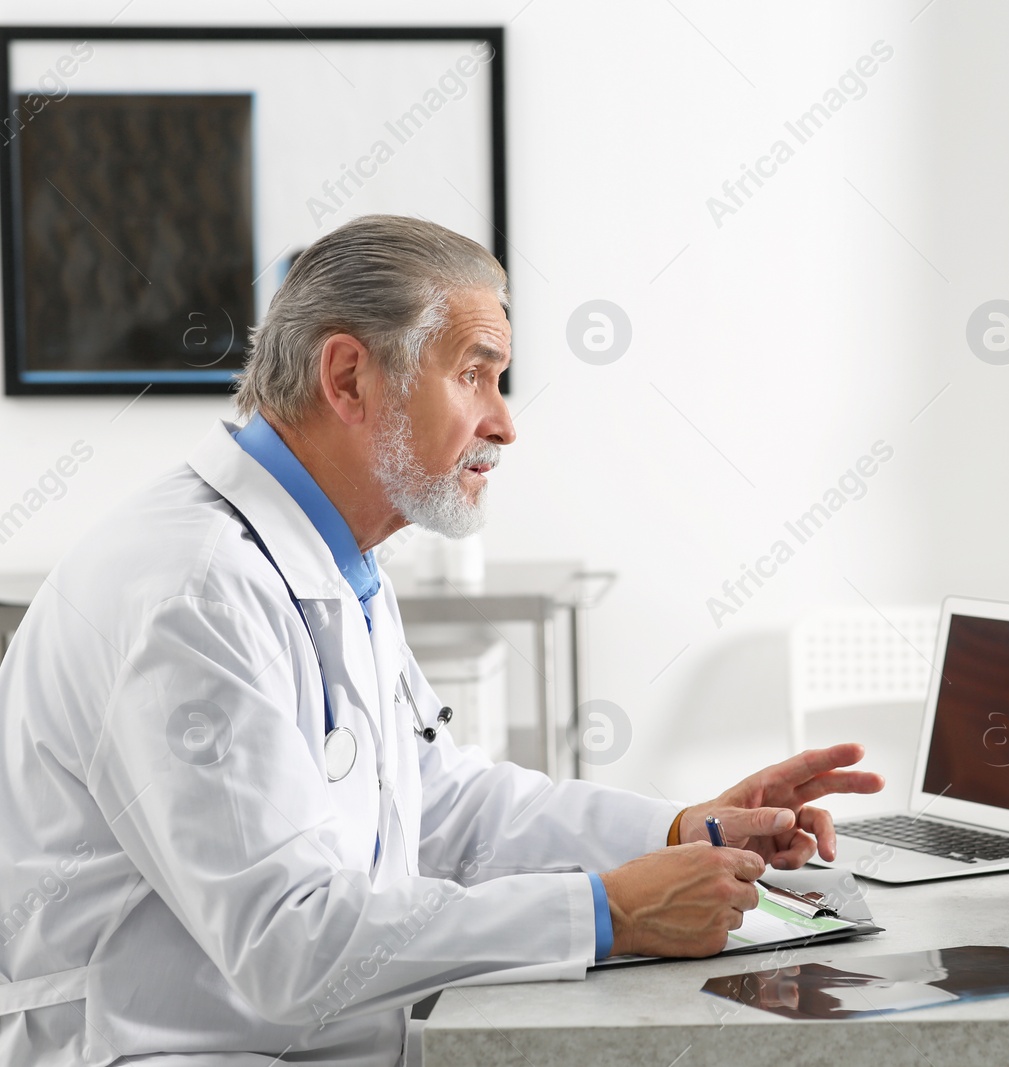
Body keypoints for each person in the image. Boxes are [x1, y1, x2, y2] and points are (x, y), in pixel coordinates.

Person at [0, 214, 883, 1065]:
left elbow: (441, 805)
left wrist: (682, 827)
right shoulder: (194, 593)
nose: (505, 423)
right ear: (346, 377)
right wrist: (606, 910)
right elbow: (287, 941)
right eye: (476, 374)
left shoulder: (327, 559)